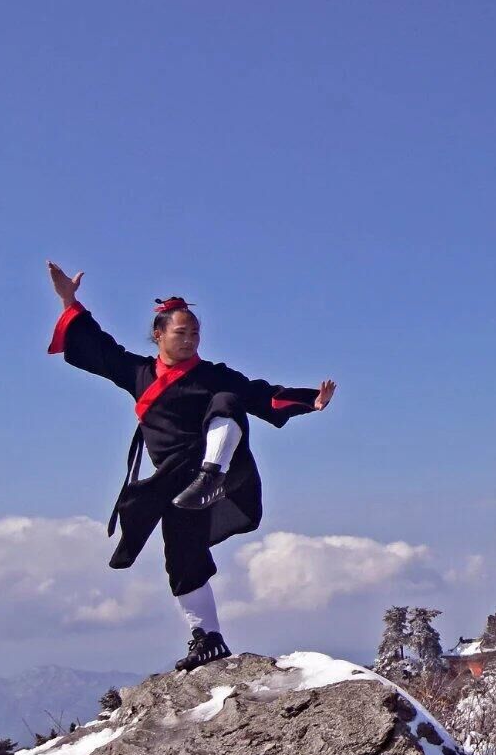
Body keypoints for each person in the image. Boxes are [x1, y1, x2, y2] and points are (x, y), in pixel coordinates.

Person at [44, 261, 336, 671]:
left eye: (195, 332)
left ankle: (210, 475)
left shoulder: (212, 374)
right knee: (182, 558)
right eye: (181, 332)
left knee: (227, 401)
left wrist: (309, 401)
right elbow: (99, 348)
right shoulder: (138, 373)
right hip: (173, 484)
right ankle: (209, 638)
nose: (190, 339)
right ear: (159, 334)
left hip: (218, 469)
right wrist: (68, 300)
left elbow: (260, 394)